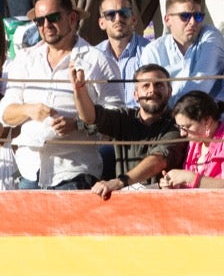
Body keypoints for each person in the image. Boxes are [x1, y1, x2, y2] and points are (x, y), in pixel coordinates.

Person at [0, 0, 119, 189]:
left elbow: (116, 118)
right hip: (30, 170)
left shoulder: (98, 61)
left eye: (53, 18)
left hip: (75, 170)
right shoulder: (24, 59)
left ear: (72, 19)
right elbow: (4, 113)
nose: (46, 25)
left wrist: (78, 124)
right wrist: (28, 109)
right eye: (39, 21)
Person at [69, 62, 183, 195]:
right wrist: (79, 89)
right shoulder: (125, 117)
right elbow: (90, 118)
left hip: (163, 202)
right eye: (146, 85)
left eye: (159, 84)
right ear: (135, 95)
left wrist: (119, 182)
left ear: (169, 92)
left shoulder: (177, 124)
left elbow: (158, 160)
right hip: (125, 202)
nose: (152, 90)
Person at [146, 0, 224, 114]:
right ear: (167, 20)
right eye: (185, 16)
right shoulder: (153, 51)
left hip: (208, 119)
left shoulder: (210, 37)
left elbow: (201, 83)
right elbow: (149, 95)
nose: (193, 22)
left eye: (198, 16)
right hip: (166, 121)